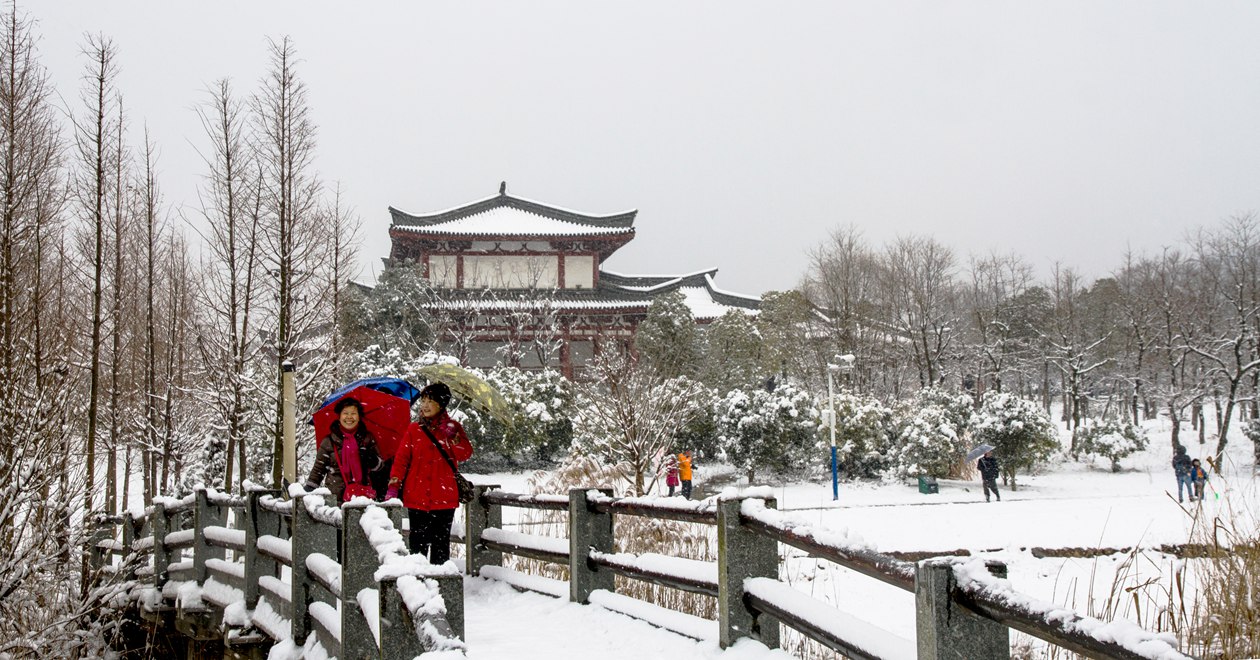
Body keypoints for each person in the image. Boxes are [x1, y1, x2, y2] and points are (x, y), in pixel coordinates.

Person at [385, 382, 473, 565]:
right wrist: (394, 485)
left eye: (430, 401)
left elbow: (465, 454)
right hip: (416, 497)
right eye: (423, 401)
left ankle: (439, 580)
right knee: (417, 547)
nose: (424, 405)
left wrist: (454, 438)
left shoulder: (453, 428)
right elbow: (401, 460)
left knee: (441, 547)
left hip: (444, 498)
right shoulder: (414, 429)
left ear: (441, 404)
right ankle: (418, 580)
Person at [304, 397, 384, 503]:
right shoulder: (328, 441)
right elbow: (318, 470)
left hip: (363, 499)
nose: (349, 417)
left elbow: (380, 467)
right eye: (345, 413)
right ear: (339, 416)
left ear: (359, 417)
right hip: (335, 499)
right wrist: (308, 490)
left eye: (353, 413)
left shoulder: (367, 438)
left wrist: (372, 459)